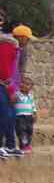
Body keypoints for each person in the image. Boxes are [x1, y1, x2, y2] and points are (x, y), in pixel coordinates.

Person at [0, 21, 21, 158]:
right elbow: (4, 70)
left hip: (9, 86)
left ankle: (11, 145)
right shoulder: (7, 45)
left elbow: (15, 71)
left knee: (11, 115)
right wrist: (12, 90)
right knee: (5, 114)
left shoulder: (14, 46)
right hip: (4, 85)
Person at [14, 77, 36, 153]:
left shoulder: (31, 96)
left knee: (29, 131)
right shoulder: (17, 94)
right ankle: (23, 146)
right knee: (21, 131)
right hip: (20, 116)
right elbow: (12, 101)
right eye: (22, 83)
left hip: (29, 116)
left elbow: (33, 106)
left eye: (27, 84)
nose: (24, 85)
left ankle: (28, 145)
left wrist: (34, 113)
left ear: (31, 87)